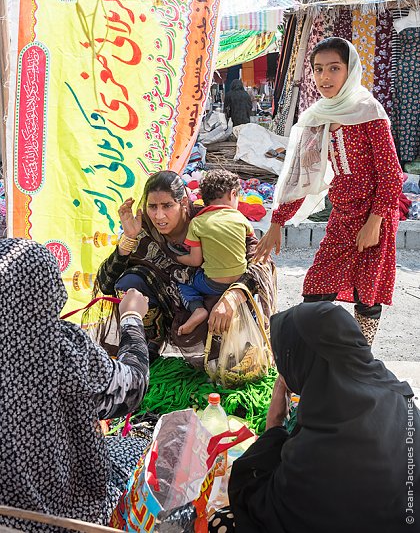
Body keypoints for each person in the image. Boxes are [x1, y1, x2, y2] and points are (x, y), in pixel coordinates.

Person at [209, 301, 420, 533]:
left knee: (222, 522)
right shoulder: (395, 393)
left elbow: (263, 503)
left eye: (284, 356)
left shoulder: (322, 442)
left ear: (303, 359)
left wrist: (274, 425)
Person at [255, 37, 403, 344]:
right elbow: (300, 175)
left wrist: (374, 223)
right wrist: (276, 223)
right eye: (319, 69)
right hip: (343, 214)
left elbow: (391, 175)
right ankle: (317, 358)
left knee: (367, 294)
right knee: (316, 289)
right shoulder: (317, 116)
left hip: (376, 216)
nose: (325, 77)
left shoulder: (369, 112)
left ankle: (360, 362)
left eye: (334, 69)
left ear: (350, 71)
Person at [0, 238, 150, 531]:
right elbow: (132, 387)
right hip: (61, 516)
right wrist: (132, 318)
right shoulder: (61, 347)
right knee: (136, 451)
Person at [94, 170, 276, 366]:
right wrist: (128, 239)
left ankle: (226, 351)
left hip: (214, 303)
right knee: (130, 282)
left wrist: (234, 296)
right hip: (171, 303)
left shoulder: (211, 220)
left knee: (229, 366)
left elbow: (261, 262)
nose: (159, 215)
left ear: (182, 203)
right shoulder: (144, 231)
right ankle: (146, 346)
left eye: (167, 206)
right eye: (152, 207)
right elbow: (107, 284)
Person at [175, 170, 254, 335]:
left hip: (212, 284)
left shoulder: (197, 223)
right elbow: (250, 244)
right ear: (233, 194)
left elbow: (195, 260)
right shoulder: (241, 219)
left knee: (183, 282)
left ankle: (197, 309)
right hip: (240, 279)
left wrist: (178, 257)